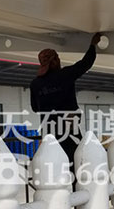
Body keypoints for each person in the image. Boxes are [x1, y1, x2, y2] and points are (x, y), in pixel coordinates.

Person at [30, 33, 102, 164]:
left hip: (49, 132)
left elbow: (35, 108)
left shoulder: (35, 84)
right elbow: (85, 63)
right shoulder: (65, 75)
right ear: (54, 61)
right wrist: (93, 45)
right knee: (75, 161)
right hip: (69, 129)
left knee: (54, 164)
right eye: (57, 58)